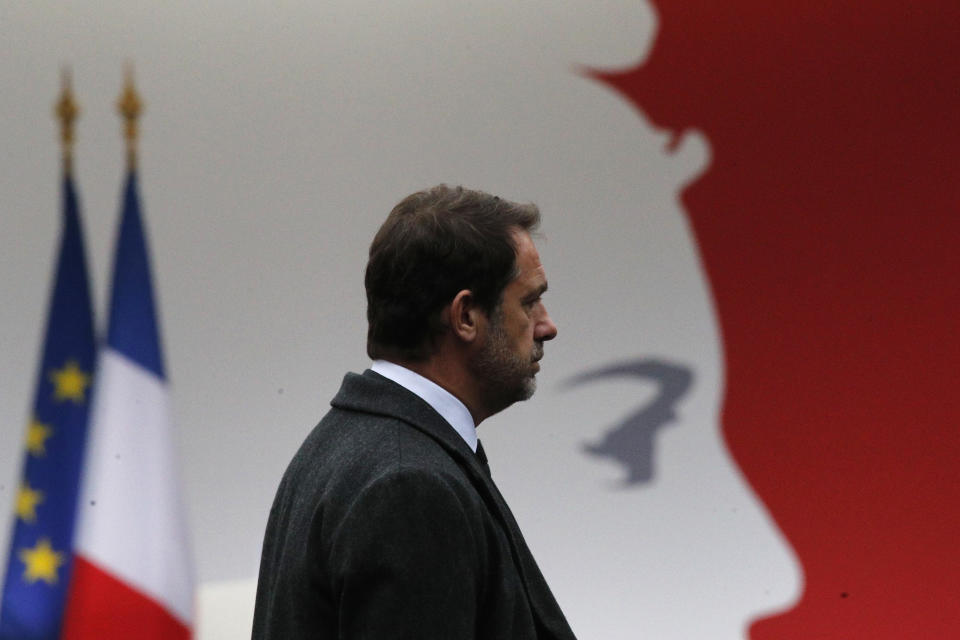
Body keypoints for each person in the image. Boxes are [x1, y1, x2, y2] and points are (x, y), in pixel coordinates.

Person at [251, 185, 575, 639]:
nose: (547, 325)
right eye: (528, 301)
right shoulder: (408, 486)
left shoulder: (350, 444)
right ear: (465, 316)